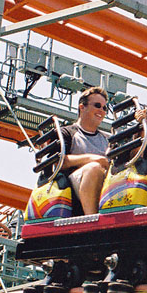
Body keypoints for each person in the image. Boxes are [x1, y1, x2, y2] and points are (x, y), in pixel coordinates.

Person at [59, 86, 109, 215]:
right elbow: (60, 161)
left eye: (104, 108)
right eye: (97, 105)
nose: (101, 111)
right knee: (93, 168)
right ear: (82, 107)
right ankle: (92, 218)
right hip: (73, 185)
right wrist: (93, 159)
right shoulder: (67, 132)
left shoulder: (107, 139)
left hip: (105, 182)